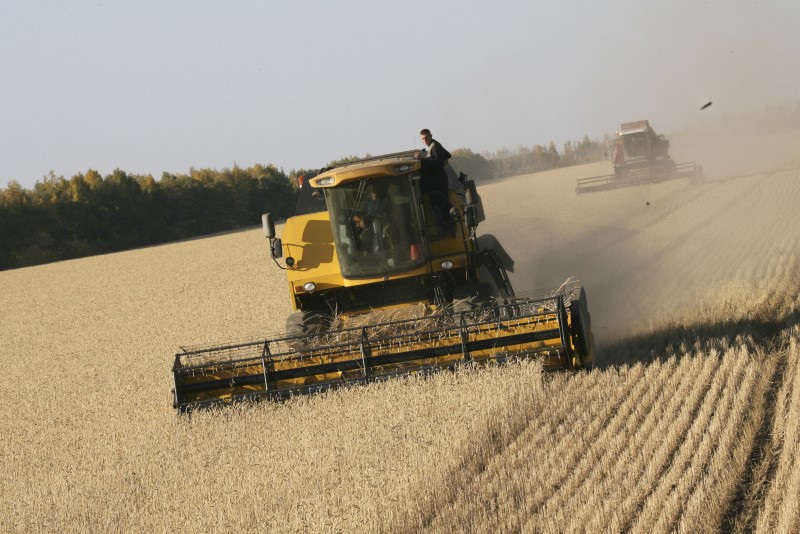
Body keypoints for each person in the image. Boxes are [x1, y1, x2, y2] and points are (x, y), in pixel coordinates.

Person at [415, 129, 454, 238]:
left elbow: (438, 162)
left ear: (431, 136)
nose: (424, 140)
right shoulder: (433, 146)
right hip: (437, 181)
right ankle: (445, 231)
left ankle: (444, 232)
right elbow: (446, 156)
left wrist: (422, 160)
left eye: (426, 138)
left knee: (439, 206)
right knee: (438, 206)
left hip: (439, 181)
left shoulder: (435, 146)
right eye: (422, 139)